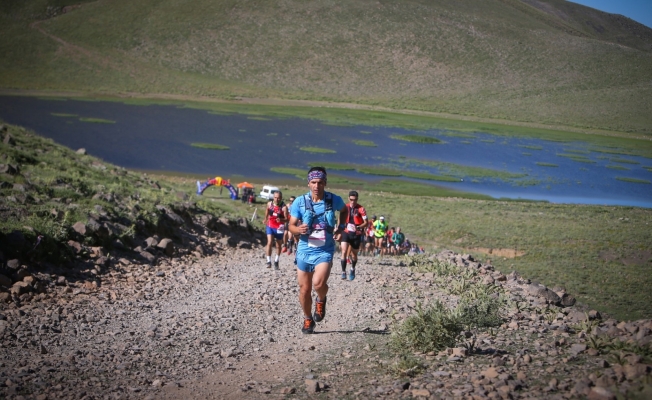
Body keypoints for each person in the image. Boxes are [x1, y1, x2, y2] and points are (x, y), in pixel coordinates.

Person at [288, 167, 346, 334]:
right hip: (304, 251)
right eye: (313, 182)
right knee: (304, 289)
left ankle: (321, 299)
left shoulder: (333, 200)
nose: (316, 186)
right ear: (308, 183)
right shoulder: (299, 202)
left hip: (324, 250)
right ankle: (308, 319)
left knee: (318, 283)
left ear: (325, 183)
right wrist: (297, 230)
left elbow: (344, 210)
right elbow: (291, 226)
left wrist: (341, 228)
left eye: (320, 182)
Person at [339, 191, 368, 281]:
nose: (353, 202)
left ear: (357, 199)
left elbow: (366, 223)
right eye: (351, 199)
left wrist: (359, 227)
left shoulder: (361, 209)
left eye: (354, 200)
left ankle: (352, 268)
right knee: (344, 251)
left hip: (356, 233)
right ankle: (343, 271)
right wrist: (338, 230)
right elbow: (340, 219)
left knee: (354, 255)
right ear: (348, 198)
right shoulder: (345, 207)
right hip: (346, 231)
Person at [263, 191, 288, 270]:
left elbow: (287, 219)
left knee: (278, 245)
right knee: (269, 242)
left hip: (279, 227)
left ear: (281, 198)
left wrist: (280, 219)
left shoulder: (284, 207)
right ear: (273, 197)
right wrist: (265, 218)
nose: (277, 199)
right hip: (270, 225)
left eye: (279, 198)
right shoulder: (269, 204)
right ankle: (268, 261)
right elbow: (267, 210)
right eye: (275, 197)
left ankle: (276, 260)